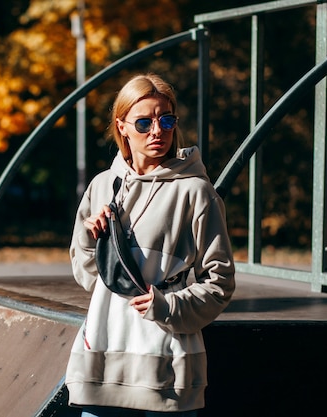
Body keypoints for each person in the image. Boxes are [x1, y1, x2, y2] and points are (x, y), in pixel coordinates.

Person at [65, 73, 236, 417]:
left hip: (166, 366)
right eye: (143, 122)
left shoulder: (196, 191)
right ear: (122, 126)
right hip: (105, 358)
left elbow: (220, 282)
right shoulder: (103, 185)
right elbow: (89, 278)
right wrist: (92, 237)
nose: (157, 131)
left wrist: (168, 306)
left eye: (166, 120)